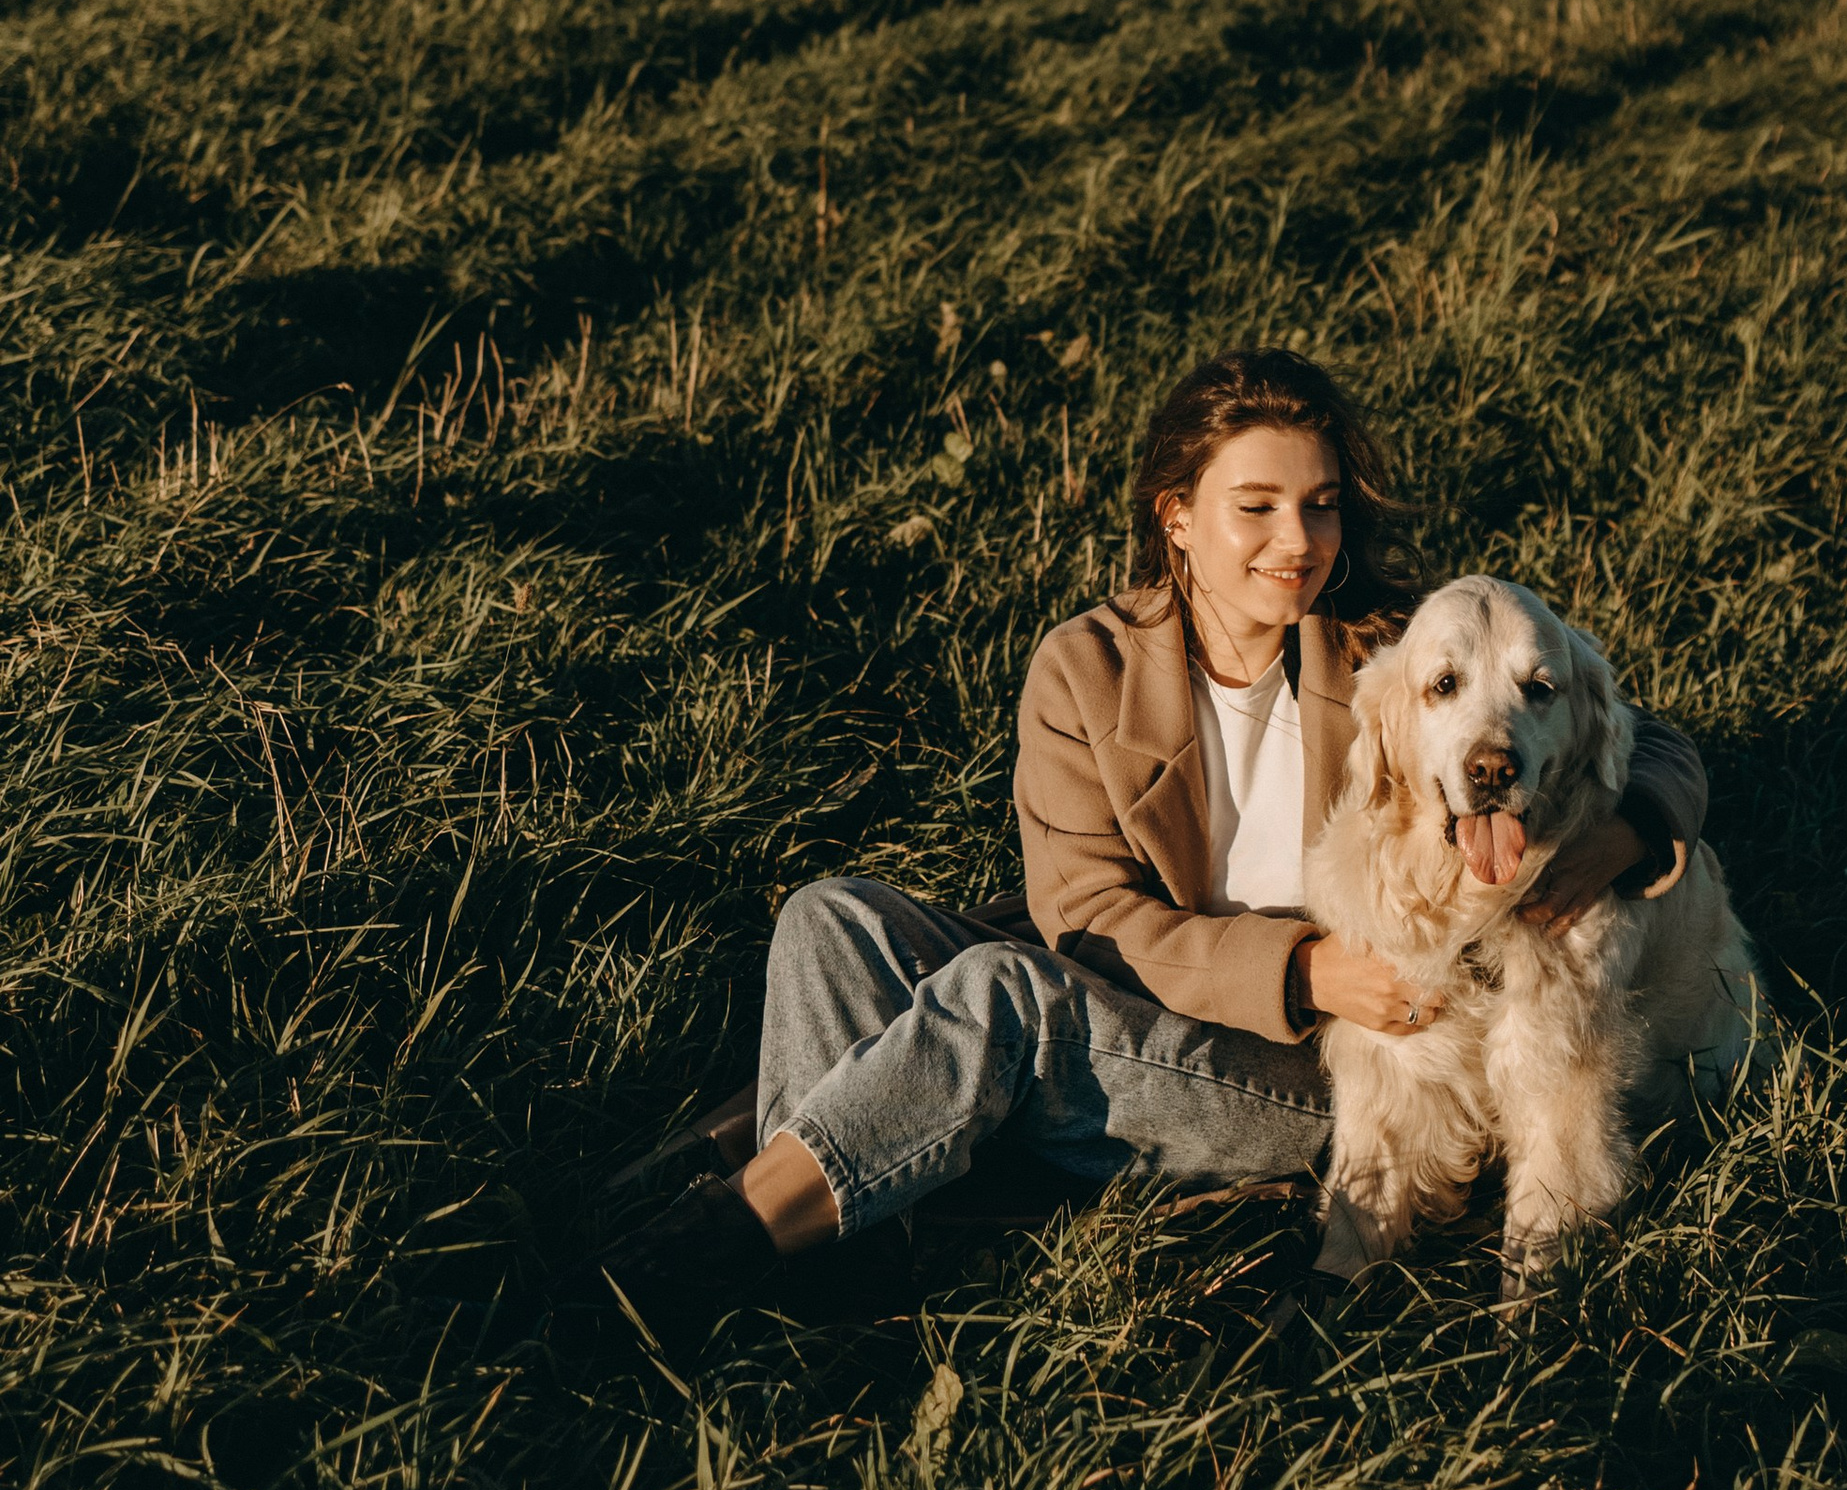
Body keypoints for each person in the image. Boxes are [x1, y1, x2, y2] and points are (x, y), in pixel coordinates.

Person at [600, 345, 1712, 1342]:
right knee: (829, 915)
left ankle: (734, 1239)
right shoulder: (1083, 666)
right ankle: (849, 1238)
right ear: (1176, 513)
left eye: (1320, 507)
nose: (1298, 542)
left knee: (997, 994)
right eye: (1258, 507)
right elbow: (1088, 911)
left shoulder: (1389, 647)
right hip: (1156, 996)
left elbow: (1645, 733)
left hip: (1317, 1056)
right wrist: (1295, 959)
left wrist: (1624, 833)